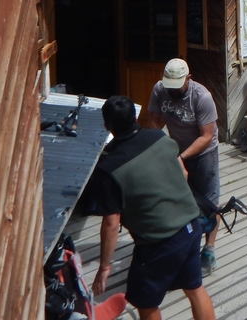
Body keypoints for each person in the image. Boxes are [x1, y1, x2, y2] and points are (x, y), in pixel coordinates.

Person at [87, 96, 216, 320]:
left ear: (107, 126)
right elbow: (183, 173)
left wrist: (104, 267)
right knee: (194, 289)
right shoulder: (159, 137)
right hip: (190, 226)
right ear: (135, 117)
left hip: (158, 242)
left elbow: (111, 223)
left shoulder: (108, 168)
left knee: (146, 303)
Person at [149, 59, 221, 277]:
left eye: (177, 84)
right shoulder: (160, 89)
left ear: (188, 78)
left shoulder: (202, 97)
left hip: (203, 153)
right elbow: (154, 121)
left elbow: (206, 136)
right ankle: (184, 246)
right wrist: (163, 148)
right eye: (169, 84)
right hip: (175, 151)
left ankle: (208, 249)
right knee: (178, 201)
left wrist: (181, 156)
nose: (172, 89)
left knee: (209, 203)